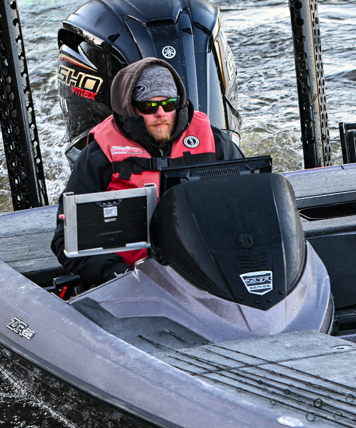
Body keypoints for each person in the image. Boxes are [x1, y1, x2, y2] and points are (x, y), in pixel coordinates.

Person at [50, 57, 241, 289]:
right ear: (130, 108)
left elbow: (248, 207)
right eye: (149, 106)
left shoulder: (214, 142)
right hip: (130, 282)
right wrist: (119, 275)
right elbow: (65, 240)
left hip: (206, 274)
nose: (161, 113)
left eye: (169, 104)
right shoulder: (98, 156)